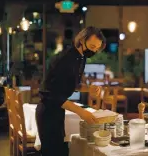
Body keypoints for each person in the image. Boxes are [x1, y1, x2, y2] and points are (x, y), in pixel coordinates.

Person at [36, 27, 106, 156]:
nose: (94, 51)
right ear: (82, 40)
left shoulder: (81, 57)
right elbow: (53, 94)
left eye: (96, 48)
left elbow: (72, 84)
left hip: (58, 111)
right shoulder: (65, 59)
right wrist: (81, 112)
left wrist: (88, 88)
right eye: (92, 46)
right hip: (48, 111)